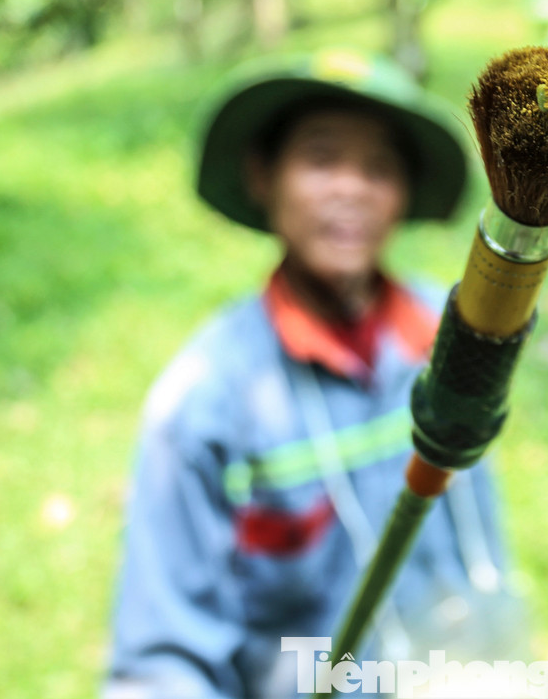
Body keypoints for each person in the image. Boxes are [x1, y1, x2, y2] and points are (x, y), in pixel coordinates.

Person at [105, 50, 522, 699]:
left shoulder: (453, 338)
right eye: (321, 159)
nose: (351, 189)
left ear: (404, 191)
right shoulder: (207, 401)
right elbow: (163, 662)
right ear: (262, 176)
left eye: (379, 167)